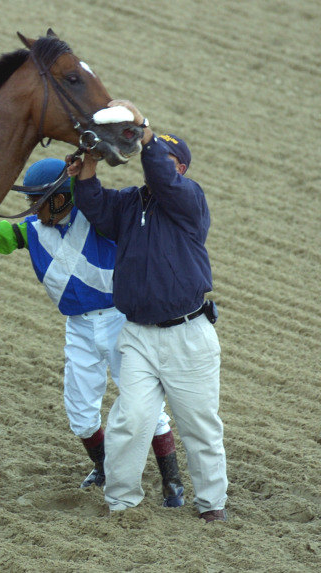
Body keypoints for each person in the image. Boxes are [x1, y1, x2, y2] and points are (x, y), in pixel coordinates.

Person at [0, 158, 185, 507]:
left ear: (62, 197)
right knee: (79, 411)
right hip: (78, 327)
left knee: (143, 404)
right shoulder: (32, 230)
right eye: (29, 200)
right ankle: (103, 467)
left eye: (38, 199)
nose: (32, 207)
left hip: (122, 321)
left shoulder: (99, 218)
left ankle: (172, 480)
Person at [67, 101, 228, 522]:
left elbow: (159, 174)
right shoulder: (129, 204)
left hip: (187, 336)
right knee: (129, 421)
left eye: (167, 161)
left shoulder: (188, 201)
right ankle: (122, 502)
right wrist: (87, 164)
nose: (157, 166)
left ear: (180, 170)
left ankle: (212, 505)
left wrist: (145, 131)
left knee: (200, 429)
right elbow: (96, 206)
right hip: (137, 334)